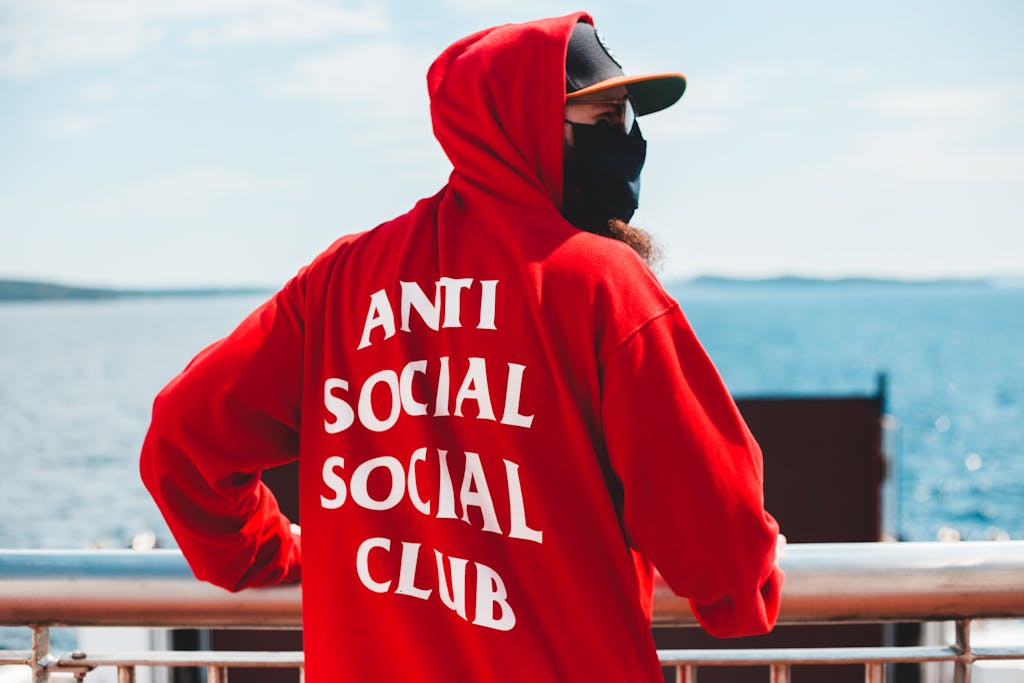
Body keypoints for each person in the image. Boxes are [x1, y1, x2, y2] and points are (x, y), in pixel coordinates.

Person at [140, 12, 783, 682]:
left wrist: (270, 553)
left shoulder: (340, 280)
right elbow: (726, 558)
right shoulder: (601, 285)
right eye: (605, 117)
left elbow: (183, 442)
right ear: (525, 123)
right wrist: (746, 589)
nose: (627, 141)